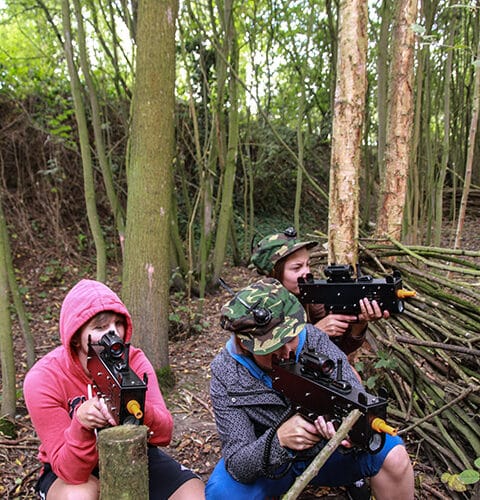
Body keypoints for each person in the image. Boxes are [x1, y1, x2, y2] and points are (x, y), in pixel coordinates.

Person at [205, 278, 414, 500]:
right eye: (273, 346)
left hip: (327, 452)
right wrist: (279, 440)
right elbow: (238, 464)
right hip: (271, 464)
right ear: (243, 345)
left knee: (394, 456)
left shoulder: (312, 338)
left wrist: (345, 429)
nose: (287, 351)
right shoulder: (226, 372)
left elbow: (352, 392)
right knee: (222, 493)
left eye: (292, 338)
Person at [24, 279, 205, 500]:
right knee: (79, 496)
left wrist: (135, 405)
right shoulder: (44, 378)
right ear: (76, 338)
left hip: (132, 451)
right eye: (100, 327)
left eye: (118, 323)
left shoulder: (134, 361)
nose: (113, 334)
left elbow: (164, 434)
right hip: (70, 467)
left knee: (193, 494)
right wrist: (81, 423)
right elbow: (69, 471)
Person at [250, 227, 390, 357]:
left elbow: (338, 351)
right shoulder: (259, 307)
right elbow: (268, 360)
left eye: (308, 264)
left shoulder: (309, 299)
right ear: (274, 273)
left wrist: (358, 325)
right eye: (297, 268)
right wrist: (313, 333)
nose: (306, 272)